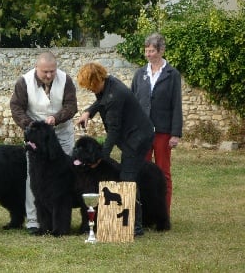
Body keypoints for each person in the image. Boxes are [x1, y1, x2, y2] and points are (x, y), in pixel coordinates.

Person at [76, 62, 154, 236]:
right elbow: (100, 101)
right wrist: (89, 111)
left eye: (90, 86)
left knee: (127, 178)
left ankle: (136, 227)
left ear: (97, 80)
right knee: (127, 176)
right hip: (132, 134)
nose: (89, 89)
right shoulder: (108, 83)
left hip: (138, 138)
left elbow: (114, 131)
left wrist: (101, 157)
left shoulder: (115, 96)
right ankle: (133, 222)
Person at [10, 51, 78, 234]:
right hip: (36, 138)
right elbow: (16, 107)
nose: (49, 75)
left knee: (64, 177)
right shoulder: (23, 82)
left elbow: (71, 106)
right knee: (35, 178)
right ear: (36, 68)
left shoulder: (66, 80)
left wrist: (56, 118)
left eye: (52, 71)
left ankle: (60, 220)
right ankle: (34, 221)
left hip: (62, 134)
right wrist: (30, 125)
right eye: (44, 72)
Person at [131, 32, 183, 216]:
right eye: (146, 51)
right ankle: (142, 214)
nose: (148, 54)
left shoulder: (172, 74)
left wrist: (175, 133)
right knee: (140, 171)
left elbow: (176, 104)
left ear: (161, 51)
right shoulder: (139, 74)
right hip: (142, 132)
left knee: (162, 172)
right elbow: (132, 103)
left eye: (152, 51)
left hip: (163, 131)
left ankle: (163, 213)